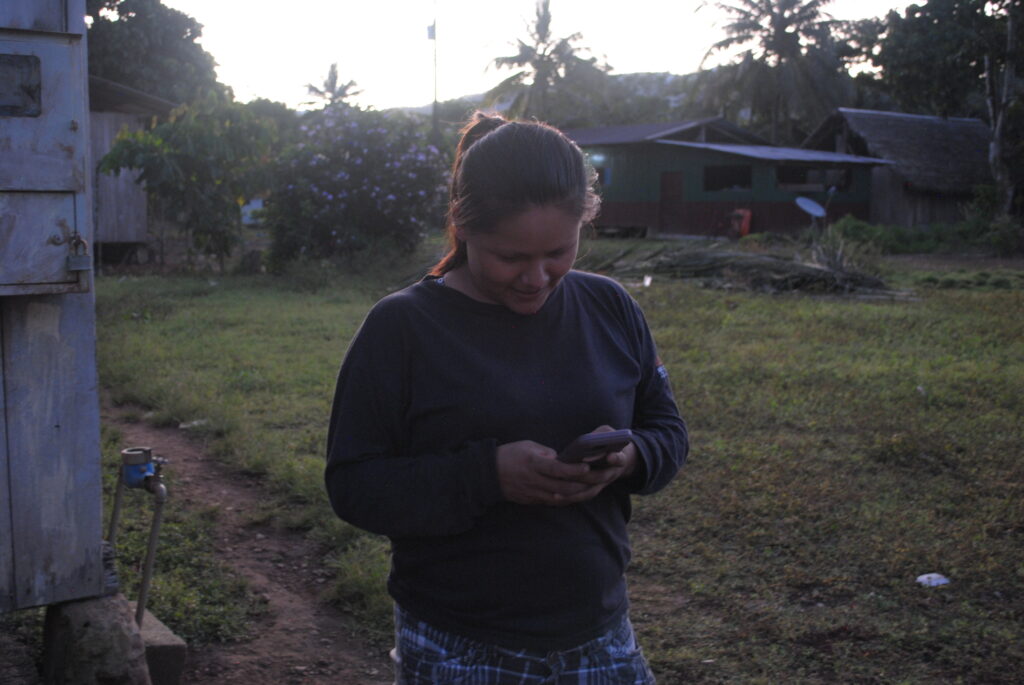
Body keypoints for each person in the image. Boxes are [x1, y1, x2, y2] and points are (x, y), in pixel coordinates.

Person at [325, 111, 688, 684]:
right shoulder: (403, 328)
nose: (536, 278)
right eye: (511, 258)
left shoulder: (610, 307)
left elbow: (667, 432)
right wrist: (488, 475)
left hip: (601, 635)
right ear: (463, 227)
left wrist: (628, 457)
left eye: (558, 252)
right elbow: (354, 485)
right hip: (457, 645)